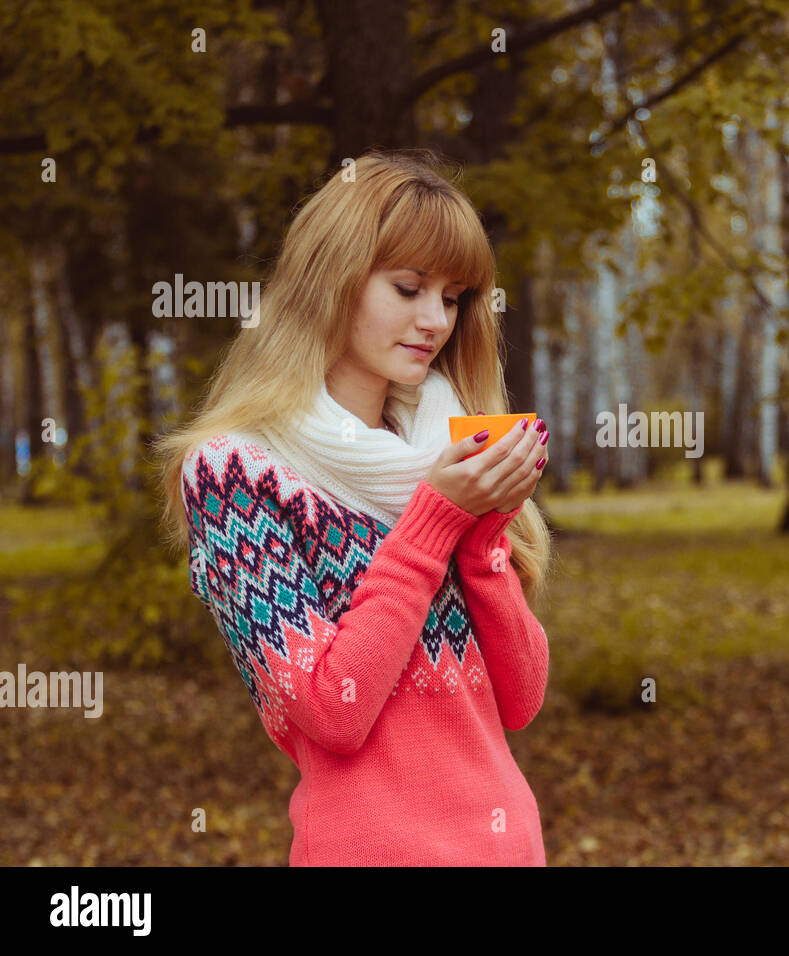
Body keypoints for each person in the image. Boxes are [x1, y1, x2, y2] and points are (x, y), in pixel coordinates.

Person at [156, 149, 552, 865]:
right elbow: (332, 710)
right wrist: (436, 520)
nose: (435, 319)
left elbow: (520, 701)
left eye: (455, 296)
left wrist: (484, 535)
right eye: (409, 288)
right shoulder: (236, 473)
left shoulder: (446, 446)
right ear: (331, 281)